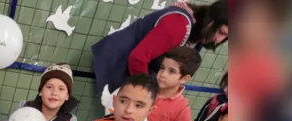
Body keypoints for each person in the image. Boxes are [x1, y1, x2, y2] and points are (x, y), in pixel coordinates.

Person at [92, 0, 228, 93]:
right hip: (117, 63)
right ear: (210, 23)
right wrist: (148, 93)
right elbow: (138, 58)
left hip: (132, 72)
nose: (219, 40)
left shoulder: (199, 33)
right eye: (221, 32)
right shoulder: (179, 24)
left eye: (226, 37)